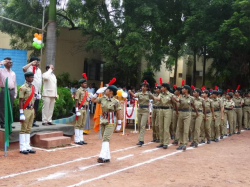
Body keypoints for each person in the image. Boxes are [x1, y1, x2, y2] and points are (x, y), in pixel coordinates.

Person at [91, 84, 122, 163]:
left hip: (111, 121)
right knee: (105, 139)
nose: (105, 91)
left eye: (107, 90)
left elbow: (119, 113)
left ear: (111, 92)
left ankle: (102, 156)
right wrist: (96, 93)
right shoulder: (102, 98)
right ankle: (107, 157)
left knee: (105, 138)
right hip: (103, 120)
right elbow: (93, 100)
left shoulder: (116, 101)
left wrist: (119, 124)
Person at [173, 85, 198, 151]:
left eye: (183, 89)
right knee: (180, 128)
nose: (182, 90)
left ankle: (184, 144)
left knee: (186, 129)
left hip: (188, 113)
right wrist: (174, 98)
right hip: (181, 113)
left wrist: (196, 112)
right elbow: (178, 101)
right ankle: (181, 143)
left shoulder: (191, 98)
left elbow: (193, 106)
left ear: (187, 90)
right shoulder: (181, 97)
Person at [129, 80, 154, 146]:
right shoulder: (139, 93)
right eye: (143, 86)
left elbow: (155, 98)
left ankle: (141, 140)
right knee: (139, 125)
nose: (143, 87)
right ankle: (140, 139)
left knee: (143, 125)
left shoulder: (149, 94)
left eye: (145, 86)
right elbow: (134, 95)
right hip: (140, 109)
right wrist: (130, 92)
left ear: (147, 88)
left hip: (145, 110)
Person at [19, 72, 36, 154]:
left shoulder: (33, 87)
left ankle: (27, 146)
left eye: (33, 77)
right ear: (26, 78)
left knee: (29, 128)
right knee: (23, 128)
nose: (32, 79)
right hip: (25, 109)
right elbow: (21, 101)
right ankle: (22, 147)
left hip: (32, 109)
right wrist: (21, 113)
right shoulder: (23, 87)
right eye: (30, 77)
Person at [153, 83, 175, 149]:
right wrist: (154, 97)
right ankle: (162, 142)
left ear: (165, 88)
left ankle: (165, 143)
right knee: (161, 127)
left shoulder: (171, 95)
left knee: (166, 127)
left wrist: (153, 97)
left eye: (162, 87)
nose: (161, 88)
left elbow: (162, 100)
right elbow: (158, 98)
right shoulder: (161, 94)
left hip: (168, 110)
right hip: (161, 110)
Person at [22, 57, 42, 127]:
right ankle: (26, 120)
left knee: (35, 107)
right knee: (29, 106)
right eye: (36, 62)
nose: (38, 63)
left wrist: (39, 92)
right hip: (29, 90)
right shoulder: (29, 68)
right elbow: (24, 69)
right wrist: (31, 63)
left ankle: (33, 120)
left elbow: (39, 81)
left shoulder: (39, 70)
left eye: (38, 62)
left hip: (37, 91)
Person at [74, 75, 92, 145]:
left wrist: (89, 98)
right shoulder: (79, 91)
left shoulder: (86, 91)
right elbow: (76, 100)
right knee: (78, 124)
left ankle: (81, 139)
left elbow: (87, 100)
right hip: (80, 109)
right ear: (81, 84)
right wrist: (76, 110)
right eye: (84, 83)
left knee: (82, 124)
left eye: (86, 83)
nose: (86, 84)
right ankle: (77, 139)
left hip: (85, 109)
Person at [0, 57, 17, 129]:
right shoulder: (1, 70)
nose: (11, 63)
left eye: (11, 62)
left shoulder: (13, 73)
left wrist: (15, 93)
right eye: (9, 62)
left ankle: (9, 122)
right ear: (5, 63)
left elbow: (15, 83)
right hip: (4, 90)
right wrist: (1, 62)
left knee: (10, 107)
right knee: (3, 107)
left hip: (12, 91)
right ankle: (2, 123)